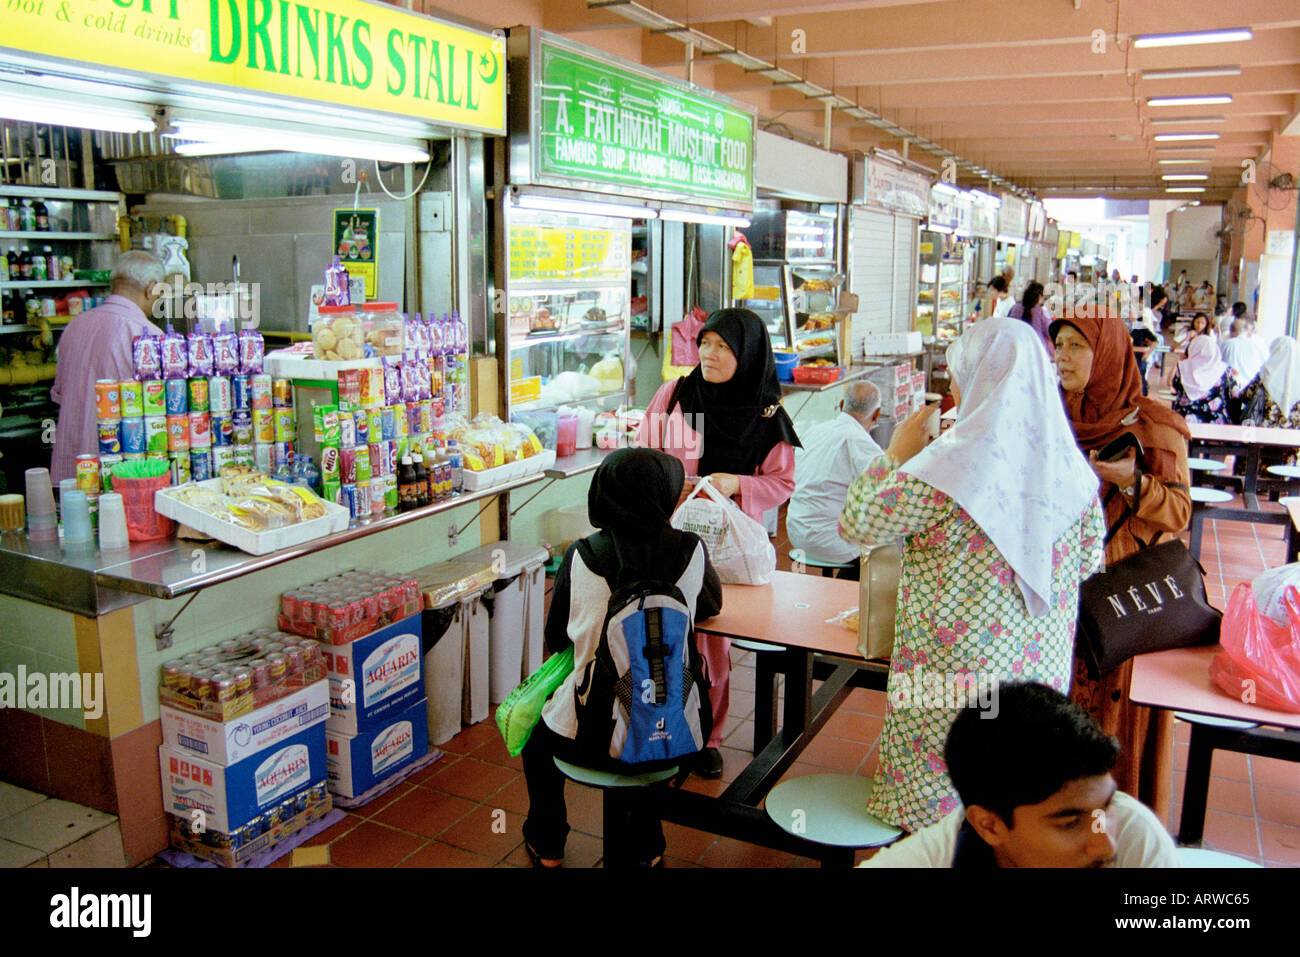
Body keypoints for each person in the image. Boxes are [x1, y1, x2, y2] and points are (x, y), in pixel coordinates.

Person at [838, 319, 1104, 832]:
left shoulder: (948, 467)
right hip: (1036, 679)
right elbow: (1090, 560)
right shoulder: (1072, 471)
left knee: (939, 813)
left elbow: (858, 524)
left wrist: (895, 454)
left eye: (958, 372)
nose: (952, 386)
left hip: (947, 678)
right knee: (1011, 805)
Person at [521, 448, 722, 868]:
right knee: (650, 706)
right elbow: (710, 604)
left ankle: (548, 841)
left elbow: (557, 637)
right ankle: (648, 843)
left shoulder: (581, 554)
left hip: (588, 738)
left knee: (536, 739)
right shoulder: (690, 549)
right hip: (676, 735)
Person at [635, 307, 799, 778]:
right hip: (666, 538)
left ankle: (709, 736)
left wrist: (734, 484)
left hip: (720, 551)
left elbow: (782, 483)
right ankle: (659, 728)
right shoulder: (675, 396)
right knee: (659, 637)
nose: (708, 353)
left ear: (746, 354)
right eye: (705, 342)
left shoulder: (767, 415)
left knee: (711, 646)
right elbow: (642, 455)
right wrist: (670, 484)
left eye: (723, 346)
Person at [1050, 312, 1192, 825]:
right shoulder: (1050, 414)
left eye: (1074, 346)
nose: (1061, 356)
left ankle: (1121, 834)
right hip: (1063, 600)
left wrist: (1134, 483)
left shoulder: (1156, 427)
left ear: (1107, 355)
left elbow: (1179, 513)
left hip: (1125, 605)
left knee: (1119, 727)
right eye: (1058, 344)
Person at [859, 683, 1178, 868]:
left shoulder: (1137, 840)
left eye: (1106, 809)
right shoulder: (937, 858)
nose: (1105, 845)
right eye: (1070, 823)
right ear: (990, 825)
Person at [50, 251, 165, 483]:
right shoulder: (148, 336)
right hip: (119, 477)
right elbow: (160, 412)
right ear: (151, 288)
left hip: (71, 474)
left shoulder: (74, 326)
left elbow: (60, 395)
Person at [786, 381, 883, 580]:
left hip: (795, 531)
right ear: (876, 414)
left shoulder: (814, 431)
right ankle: (847, 596)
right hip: (830, 543)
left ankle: (832, 591)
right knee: (884, 537)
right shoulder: (862, 444)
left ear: (840, 405)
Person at [1171, 335, 1235, 424]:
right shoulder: (1225, 370)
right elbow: (1233, 392)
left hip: (1184, 419)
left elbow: (1175, 386)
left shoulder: (1182, 367)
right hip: (1215, 420)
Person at [1006, 280, 1053, 355]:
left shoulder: (1015, 307)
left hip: (1016, 347)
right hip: (1037, 349)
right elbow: (1050, 332)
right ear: (1039, 297)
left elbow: (1008, 325)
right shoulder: (1042, 311)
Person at [1220, 317, 1266, 385]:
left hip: (1231, 386)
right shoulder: (1257, 345)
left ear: (1231, 333)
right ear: (1246, 332)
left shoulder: (1227, 344)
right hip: (1251, 386)